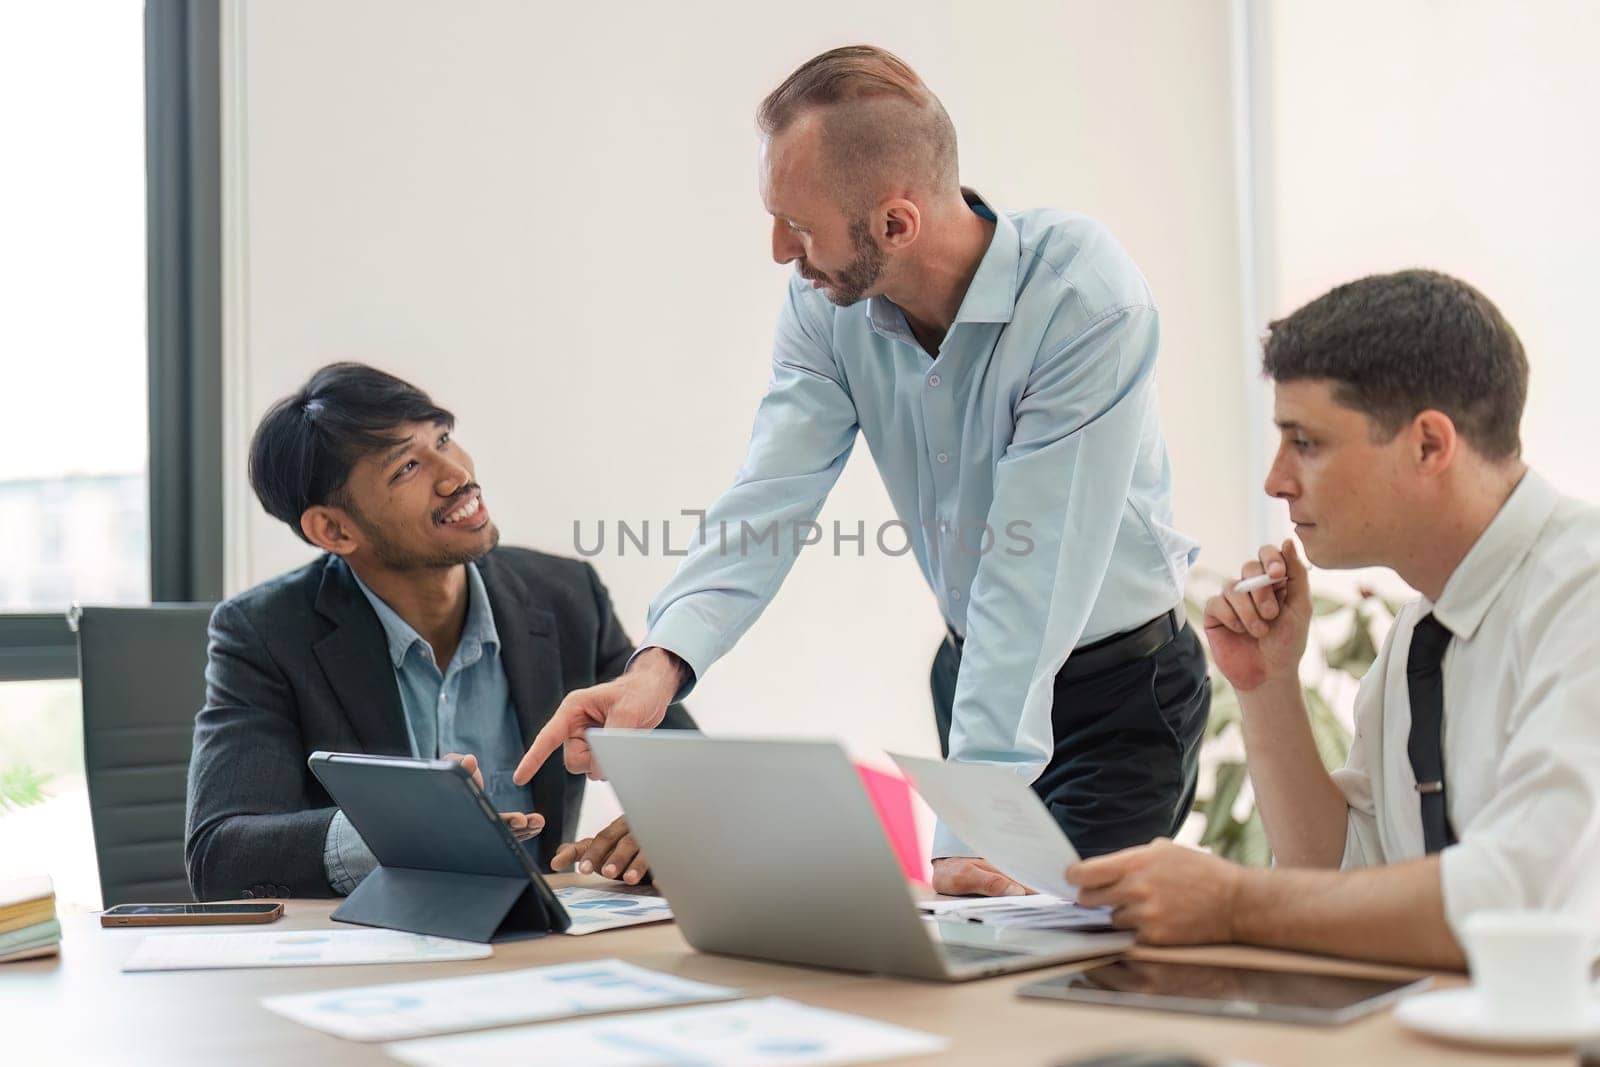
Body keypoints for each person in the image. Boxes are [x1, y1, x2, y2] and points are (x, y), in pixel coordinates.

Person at [515, 45, 1208, 896]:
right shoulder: (825, 304)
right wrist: (658, 665)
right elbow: (766, 500)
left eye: (799, 226)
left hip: (1121, 693)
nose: (779, 251)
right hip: (972, 674)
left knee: (1062, 959)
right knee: (981, 945)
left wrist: (970, 824)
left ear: (895, 224)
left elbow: (1034, 570)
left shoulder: (1083, 301)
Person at [1068, 270, 1600, 968]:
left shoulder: (1582, 593)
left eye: (1306, 442)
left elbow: (1525, 900)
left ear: (1430, 446)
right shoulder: (1422, 631)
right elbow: (1344, 880)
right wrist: (1265, 685)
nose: (1276, 478)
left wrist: (1233, 902)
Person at [185, 363, 694, 901]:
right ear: (334, 529)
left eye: (444, 439)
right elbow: (221, 854)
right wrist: (398, 825)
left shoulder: (565, 595)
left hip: (540, 945)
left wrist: (667, 828)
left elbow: (698, 775)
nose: (455, 475)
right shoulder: (264, 633)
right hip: (380, 953)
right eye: (406, 466)